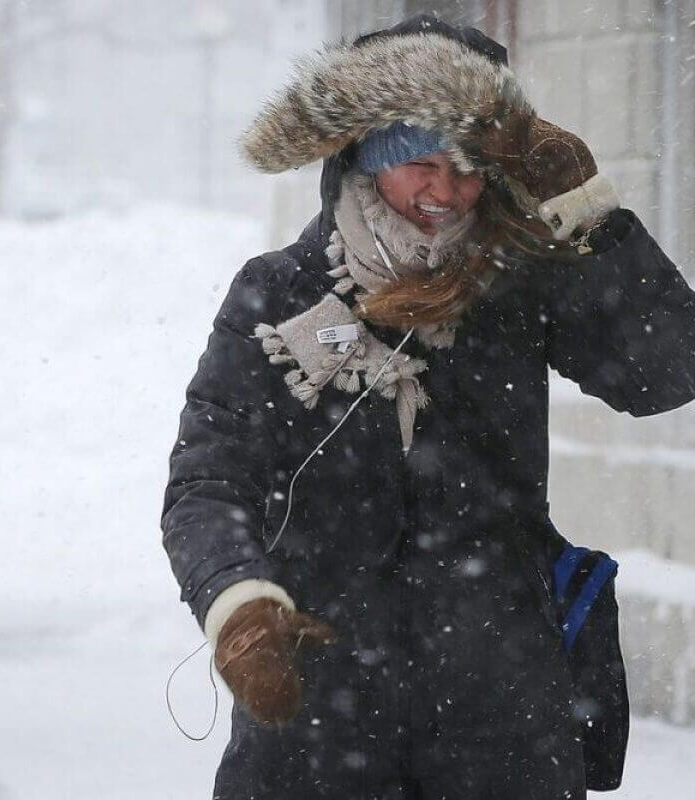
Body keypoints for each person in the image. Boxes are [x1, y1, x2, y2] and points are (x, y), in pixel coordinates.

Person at [161, 16, 695, 799]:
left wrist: (586, 210)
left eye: (471, 166)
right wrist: (239, 606)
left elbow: (666, 370)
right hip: (317, 719)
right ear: (366, 154)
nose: (446, 192)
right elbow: (208, 483)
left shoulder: (522, 283)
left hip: (501, 721)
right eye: (419, 162)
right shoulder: (278, 292)